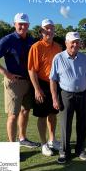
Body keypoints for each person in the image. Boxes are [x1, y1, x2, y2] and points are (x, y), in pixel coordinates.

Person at [0, 13, 39, 148]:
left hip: (29, 81)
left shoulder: (31, 40)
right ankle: (11, 146)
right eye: (19, 23)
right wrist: (6, 73)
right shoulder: (8, 39)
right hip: (14, 82)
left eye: (25, 24)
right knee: (13, 115)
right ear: (14, 24)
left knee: (25, 111)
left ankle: (22, 138)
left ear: (28, 25)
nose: (22, 26)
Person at [50, 32, 86, 164]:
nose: (75, 44)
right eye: (72, 42)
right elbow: (53, 79)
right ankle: (64, 152)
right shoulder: (58, 58)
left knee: (82, 124)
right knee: (65, 125)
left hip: (83, 94)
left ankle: (80, 150)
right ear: (66, 43)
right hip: (65, 95)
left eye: (77, 42)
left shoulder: (84, 58)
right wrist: (54, 99)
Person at [28, 19, 62, 156]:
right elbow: (31, 70)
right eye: (46, 29)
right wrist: (37, 89)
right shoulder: (36, 47)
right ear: (41, 31)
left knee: (53, 114)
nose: (49, 31)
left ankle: (52, 140)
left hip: (55, 84)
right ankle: (43, 144)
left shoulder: (58, 47)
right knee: (42, 116)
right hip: (41, 84)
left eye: (51, 28)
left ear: (54, 30)